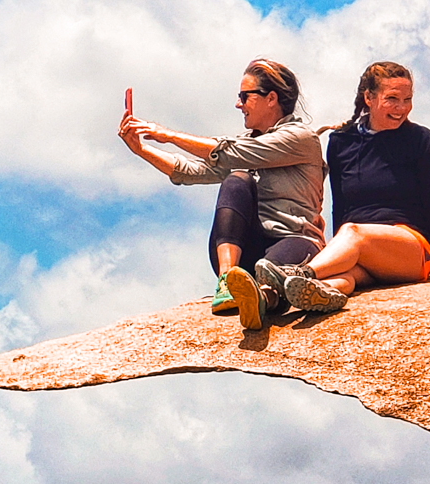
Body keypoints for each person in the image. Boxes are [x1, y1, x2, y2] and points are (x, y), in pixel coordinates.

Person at [257, 61, 430, 313]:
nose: (401, 108)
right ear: (369, 97)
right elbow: (340, 206)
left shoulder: (419, 140)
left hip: (410, 249)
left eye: (407, 99)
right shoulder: (341, 142)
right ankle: (272, 299)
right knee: (344, 277)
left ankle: (297, 272)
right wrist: (338, 253)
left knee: (352, 233)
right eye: (392, 99)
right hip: (364, 252)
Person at [118, 59, 326, 331]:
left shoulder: (300, 138)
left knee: (269, 270)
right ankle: (228, 280)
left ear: (271, 98)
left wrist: (166, 134)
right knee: (236, 180)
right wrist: (141, 150)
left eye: (244, 96)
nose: (238, 104)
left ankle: (263, 297)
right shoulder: (248, 142)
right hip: (246, 249)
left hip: (294, 240)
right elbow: (190, 171)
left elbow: (229, 153)